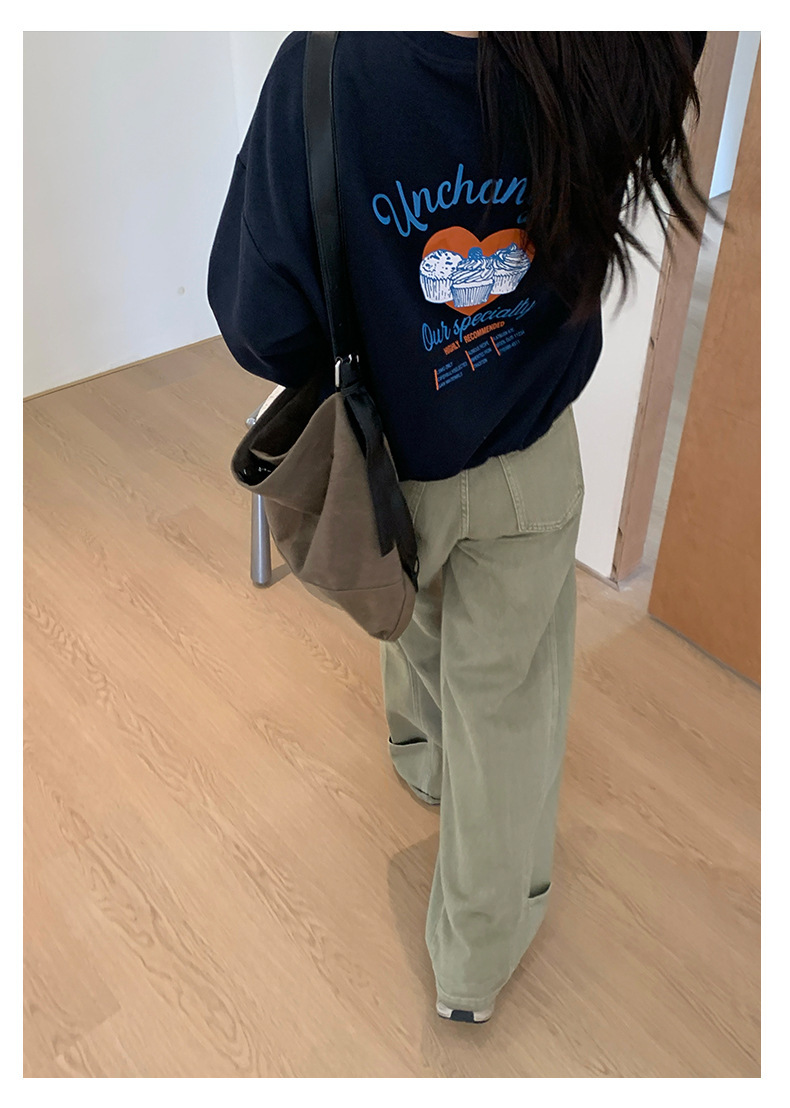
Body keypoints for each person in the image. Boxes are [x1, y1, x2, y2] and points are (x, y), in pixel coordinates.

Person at [207, 30, 710, 1025]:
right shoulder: (610, 48)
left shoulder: (326, 64)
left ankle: (421, 758)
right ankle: (473, 966)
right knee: (508, 698)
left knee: (411, 608)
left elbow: (255, 313)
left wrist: (387, 335)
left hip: (393, 458)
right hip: (531, 455)